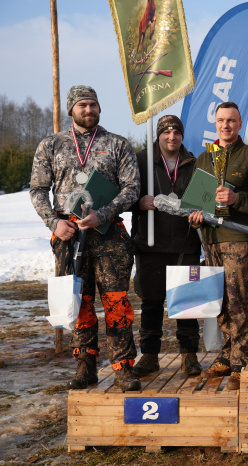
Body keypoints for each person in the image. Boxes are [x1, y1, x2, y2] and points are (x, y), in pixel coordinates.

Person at [30, 85, 141, 391]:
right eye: (82, 105)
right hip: (68, 235)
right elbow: (38, 190)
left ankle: (123, 367)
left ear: (99, 108)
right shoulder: (51, 145)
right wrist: (53, 223)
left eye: (93, 104)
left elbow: (132, 188)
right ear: (71, 110)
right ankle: (85, 365)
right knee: (79, 301)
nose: (89, 110)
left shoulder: (117, 144)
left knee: (116, 302)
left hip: (109, 235)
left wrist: (102, 214)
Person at [188, 102, 248, 390]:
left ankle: (241, 360)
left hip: (237, 238)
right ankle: (226, 354)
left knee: (238, 298)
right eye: (221, 120)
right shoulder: (204, 158)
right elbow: (195, 201)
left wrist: (238, 199)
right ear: (216, 123)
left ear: (239, 123)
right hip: (210, 238)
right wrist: (196, 216)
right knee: (219, 299)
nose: (226, 125)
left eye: (231, 120)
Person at [130, 115, 202, 378]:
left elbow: (203, 199)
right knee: (151, 302)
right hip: (150, 242)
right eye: (166, 132)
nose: (172, 137)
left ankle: (189, 354)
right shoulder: (141, 161)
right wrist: (138, 203)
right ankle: (149, 355)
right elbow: (124, 194)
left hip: (186, 243)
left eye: (176, 132)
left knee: (187, 302)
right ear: (158, 135)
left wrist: (200, 213)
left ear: (182, 136)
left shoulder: (193, 163)